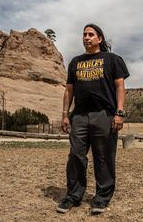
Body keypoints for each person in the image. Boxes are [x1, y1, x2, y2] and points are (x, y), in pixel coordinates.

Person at [56, 23, 130, 214]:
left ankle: (102, 198)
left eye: (91, 34)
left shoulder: (113, 60)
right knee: (75, 155)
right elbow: (69, 90)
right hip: (79, 115)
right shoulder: (75, 62)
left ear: (100, 39)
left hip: (104, 115)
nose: (86, 37)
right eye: (84, 34)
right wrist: (65, 115)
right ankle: (73, 195)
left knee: (104, 157)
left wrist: (119, 113)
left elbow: (120, 87)